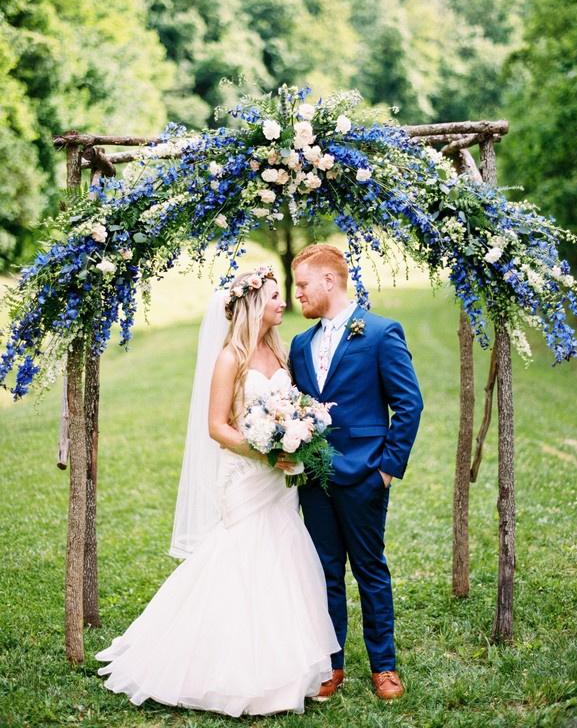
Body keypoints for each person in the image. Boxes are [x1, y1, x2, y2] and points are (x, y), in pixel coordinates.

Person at [95, 267, 340, 717]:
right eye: (273, 297)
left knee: (282, 555)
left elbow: (288, 408)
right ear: (252, 305)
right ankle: (221, 666)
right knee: (240, 556)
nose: (282, 303)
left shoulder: (277, 351)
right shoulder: (231, 358)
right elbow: (215, 426)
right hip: (245, 476)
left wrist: (295, 437)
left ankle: (283, 667)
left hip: (277, 479)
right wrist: (265, 452)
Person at [289, 243, 424, 701]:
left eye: (303, 284)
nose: (298, 294)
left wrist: (386, 470)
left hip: (366, 474)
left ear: (329, 280)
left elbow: (409, 405)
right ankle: (332, 665)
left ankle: (384, 667)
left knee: (370, 569)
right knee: (323, 571)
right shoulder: (299, 344)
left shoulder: (382, 333)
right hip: (315, 480)